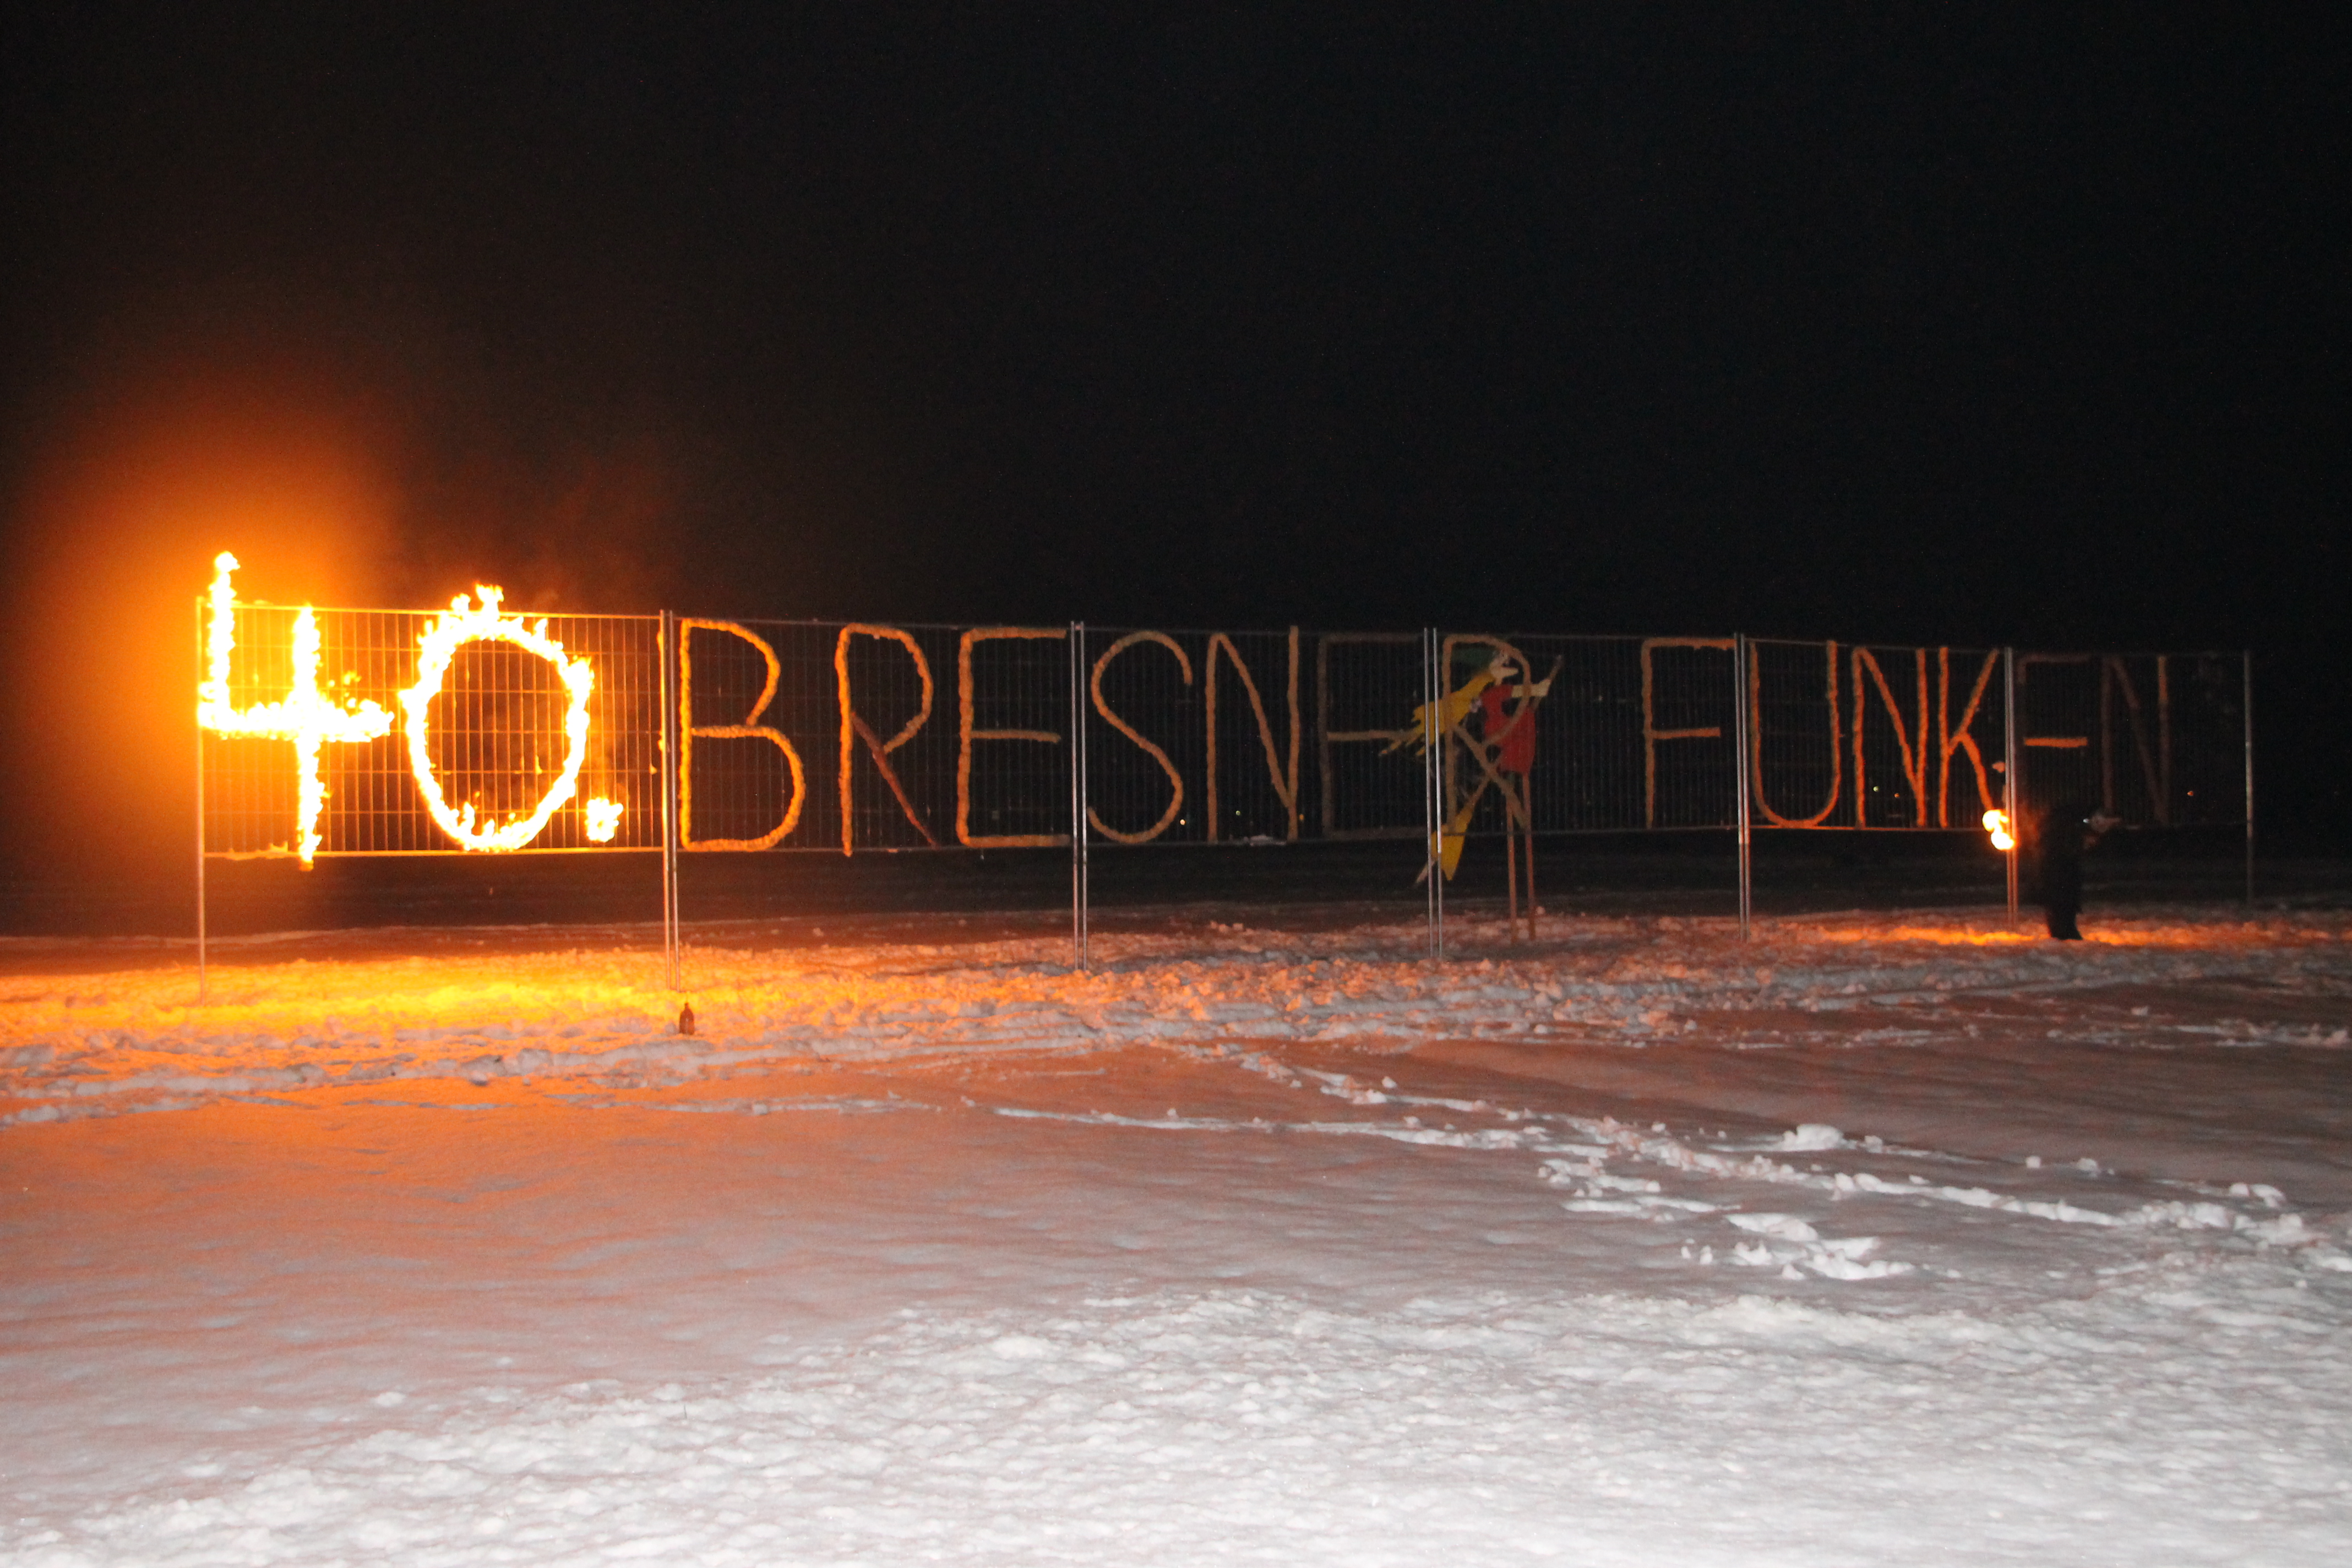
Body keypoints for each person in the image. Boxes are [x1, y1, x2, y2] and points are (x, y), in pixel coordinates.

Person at [2030, 802, 2119, 940]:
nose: (2103, 829)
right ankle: (2064, 936)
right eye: (2102, 824)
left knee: (2063, 909)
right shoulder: (2069, 826)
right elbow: (2062, 848)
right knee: (2060, 908)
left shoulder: (2076, 825)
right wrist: (2081, 842)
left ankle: (2064, 935)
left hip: (2063, 873)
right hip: (2057, 873)